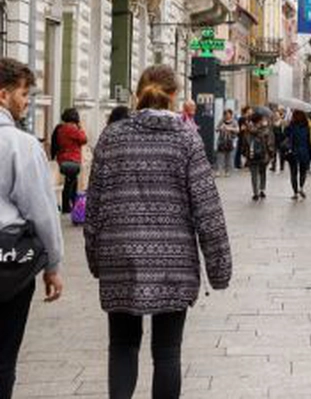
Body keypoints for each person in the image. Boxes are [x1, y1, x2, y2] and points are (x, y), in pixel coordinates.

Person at [84, 65, 231, 399]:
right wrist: (219, 269)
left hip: (119, 256)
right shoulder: (186, 139)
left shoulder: (112, 137)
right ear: (175, 96)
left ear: (138, 94)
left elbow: (94, 205)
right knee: (167, 353)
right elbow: (207, 209)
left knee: (121, 345)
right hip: (173, 261)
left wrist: (96, 258)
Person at [0, 58, 64, 399]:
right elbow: (42, 211)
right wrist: (53, 265)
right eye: (24, 94)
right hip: (7, 262)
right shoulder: (20, 145)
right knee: (3, 354)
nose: (27, 101)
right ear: (3, 95)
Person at [53, 108, 87, 215]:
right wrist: (80, 128)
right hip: (72, 160)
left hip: (62, 160)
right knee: (70, 183)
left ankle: (71, 205)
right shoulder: (72, 129)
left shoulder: (60, 128)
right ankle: (67, 206)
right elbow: (84, 139)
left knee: (72, 181)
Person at [285, 110, 311, 200]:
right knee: (303, 171)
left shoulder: (291, 126)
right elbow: (309, 142)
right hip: (304, 152)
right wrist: (310, 154)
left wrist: (287, 125)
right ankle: (301, 187)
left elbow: (286, 135)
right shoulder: (307, 127)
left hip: (293, 152)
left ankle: (295, 192)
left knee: (293, 173)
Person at [246, 114, 275, 201]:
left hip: (252, 155)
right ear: (259, 121)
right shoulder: (265, 130)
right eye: (262, 119)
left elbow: (245, 143)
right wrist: (271, 154)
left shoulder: (248, 130)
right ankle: (262, 190)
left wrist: (246, 154)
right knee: (262, 172)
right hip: (263, 155)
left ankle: (255, 193)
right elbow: (270, 143)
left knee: (254, 174)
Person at [215, 109, 239, 175]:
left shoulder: (234, 121)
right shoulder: (222, 121)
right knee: (220, 156)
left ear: (231, 114)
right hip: (222, 140)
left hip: (230, 140)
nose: (227, 115)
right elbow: (216, 129)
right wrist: (221, 128)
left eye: (229, 114)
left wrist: (230, 128)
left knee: (228, 156)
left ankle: (227, 171)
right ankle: (219, 170)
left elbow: (237, 130)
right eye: (226, 114)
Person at [234, 106, 252, 171]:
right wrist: (247, 126)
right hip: (242, 136)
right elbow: (242, 128)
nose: (251, 111)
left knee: (246, 150)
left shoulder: (249, 118)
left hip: (247, 136)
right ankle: (237, 164)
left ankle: (245, 164)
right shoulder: (242, 118)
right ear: (247, 111)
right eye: (250, 110)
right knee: (240, 150)